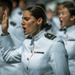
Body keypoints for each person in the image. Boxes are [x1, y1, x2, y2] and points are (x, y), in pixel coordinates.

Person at [0, 6, 69, 75]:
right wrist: (5, 32)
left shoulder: (54, 43)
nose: (22, 23)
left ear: (39, 21)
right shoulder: (27, 42)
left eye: (26, 19)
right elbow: (8, 57)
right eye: (22, 19)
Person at [0, 1, 24, 75]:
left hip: (13, 68)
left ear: (5, 10)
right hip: (3, 68)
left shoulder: (13, 27)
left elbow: (20, 46)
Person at [56, 1, 75, 75]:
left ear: (72, 17)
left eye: (63, 14)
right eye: (59, 13)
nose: (60, 16)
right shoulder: (60, 32)